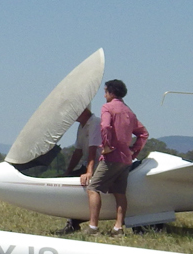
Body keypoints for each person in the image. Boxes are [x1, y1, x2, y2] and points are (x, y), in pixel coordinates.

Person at [84, 79, 148, 234]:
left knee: (93, 188)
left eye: (105, 91)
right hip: (126, 158)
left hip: (111, 157)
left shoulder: (107, 107)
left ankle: (93, 226)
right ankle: (118, 227)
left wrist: (106, 145)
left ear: (111, 93)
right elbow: (143, 133)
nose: (104, 94)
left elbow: (105, 126)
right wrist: (134, 150)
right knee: (119, 193)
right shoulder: (129, 112)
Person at [59, 106, 101, 234]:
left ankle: (75, 221)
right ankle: (73, 221)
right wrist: (68, 171)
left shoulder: (95, 123)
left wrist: (89, 172)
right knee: (67, 182)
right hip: (88, 163)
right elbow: (78, 151)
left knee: (86, 187)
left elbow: (93, 149)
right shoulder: (81, 126)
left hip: (100, 164)